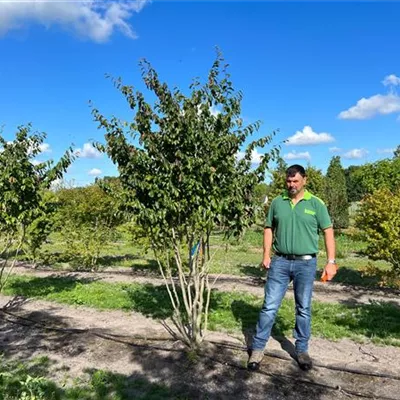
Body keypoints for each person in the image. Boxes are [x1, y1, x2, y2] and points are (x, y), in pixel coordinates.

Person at [247, 164, 337, 372]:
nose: (292, 185)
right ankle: (258, 349)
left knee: (303, 308)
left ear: (304, 180)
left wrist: (331, 261)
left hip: (306, 263)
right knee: (269, 306)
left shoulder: (316, 204)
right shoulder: (278, 202)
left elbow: (328, 231)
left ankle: (302, 350)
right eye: (288, 181)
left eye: (295, 181)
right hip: (280, 262)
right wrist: (266, 254)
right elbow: (269, 228)